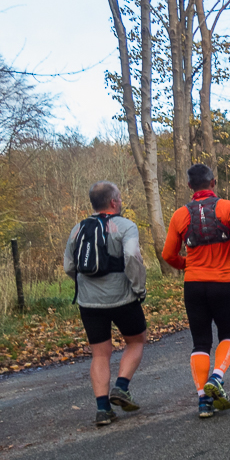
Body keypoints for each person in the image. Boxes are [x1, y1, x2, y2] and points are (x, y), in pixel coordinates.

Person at [162, 163, 230, 419]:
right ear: (213, 183)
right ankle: (217, 377)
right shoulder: (228, 207)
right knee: (229, 335)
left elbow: (168, 254)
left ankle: (203, 401)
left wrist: (185, 264)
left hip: (193, 286)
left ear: (190, 186)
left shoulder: (180, 214)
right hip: (223, 283)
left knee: (200, 342)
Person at [63, 181, 148, 427]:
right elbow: (132, 257)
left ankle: (102, 410)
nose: (120, 201)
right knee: (136, 340)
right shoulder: (125, 226)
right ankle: (121, 387)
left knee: (100, 353)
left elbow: (69, 266)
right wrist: (138, 289)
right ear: (113, 202)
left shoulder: (77, 229)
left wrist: (88, 284)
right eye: (119, 198)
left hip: (89, 302)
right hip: (122, 298)